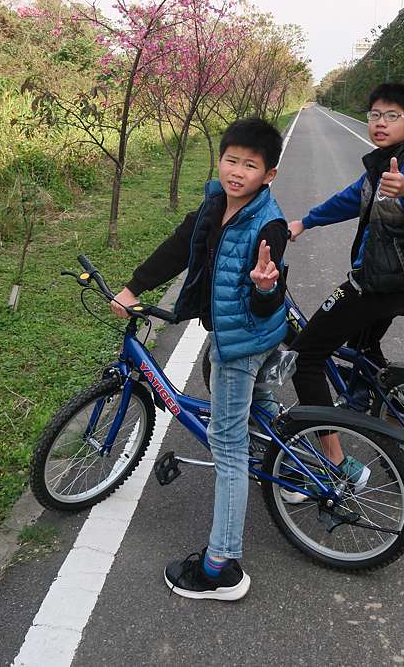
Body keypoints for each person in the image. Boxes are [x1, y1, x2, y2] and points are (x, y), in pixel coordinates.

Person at [110, 118, 288, 601]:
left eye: (250, 166)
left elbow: (273, 292)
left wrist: (266, 288)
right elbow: (179, 247)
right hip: (230, 335)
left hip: (244, 340)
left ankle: (221, 566)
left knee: (226, 445)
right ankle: (291, 462)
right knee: (251, 399)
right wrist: (134, 286)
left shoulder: (268, 224)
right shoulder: (215, 203)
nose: (237, 172)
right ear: (220, 160)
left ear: (268, 174)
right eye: (231, 160)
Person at [284, 83, 404, 500]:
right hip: (403, 283)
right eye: (374, 114)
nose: (379, 122)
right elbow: (350, 200)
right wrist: (305, 222)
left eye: (390, 116)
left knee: (307, 356)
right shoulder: (378, 168)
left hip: (377, 283)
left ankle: (333, 464)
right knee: (364, 352)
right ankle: (381, 408)